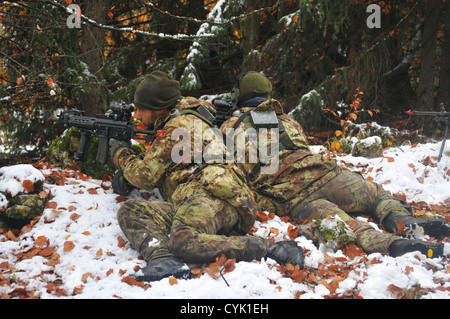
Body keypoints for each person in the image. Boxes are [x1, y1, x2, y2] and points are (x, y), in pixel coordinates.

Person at [219, 71, 449, 258]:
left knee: (349, 227)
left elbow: (228, 168)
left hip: (296, 196)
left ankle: (397, 245)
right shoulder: (287, 120)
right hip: (327, 175)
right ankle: (402, 220)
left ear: (239, 95)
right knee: (376, 195)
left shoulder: (232, 126)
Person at [110, 71, 304, 282]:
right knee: (131, 211)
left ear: (158, 109)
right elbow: (162, 162)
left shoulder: (179, 124)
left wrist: (121, 154)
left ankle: (271, 249)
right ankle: (163, 260)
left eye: (141, 109)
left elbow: (144, 177)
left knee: (182, 239)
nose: (137, 115)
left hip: (215, 195)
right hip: (195, 198)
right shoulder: (188, 118)